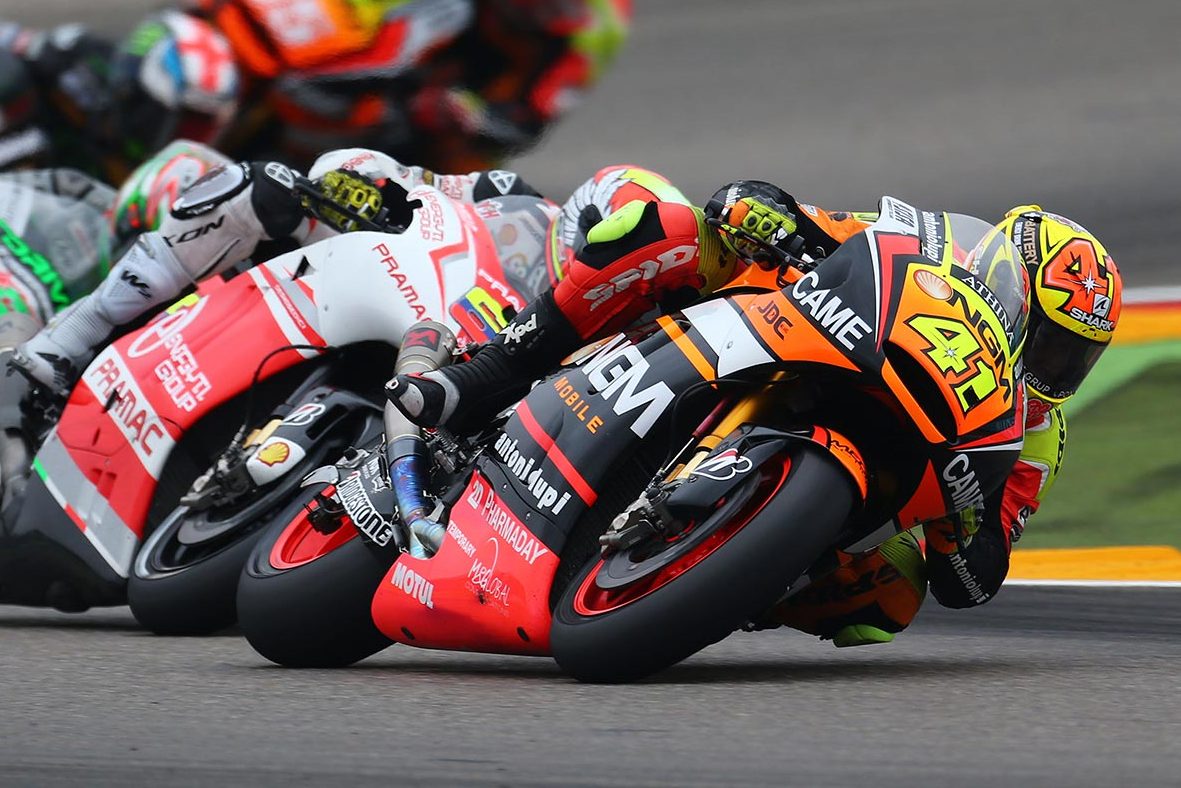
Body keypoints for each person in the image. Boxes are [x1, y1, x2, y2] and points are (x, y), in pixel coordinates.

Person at [383, 171, 1125, 647]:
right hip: (788, 334)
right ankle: (492, 369)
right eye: (1049, 341)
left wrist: (969, 520)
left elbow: (971, 582)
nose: (1050, 367)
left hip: (885, 470)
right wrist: (767, 214)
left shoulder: (1035, 437)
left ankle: (732, 574)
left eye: (1071, 359)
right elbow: (810, 222)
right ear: (1010, 285)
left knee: (889, 602)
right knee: (664, 226)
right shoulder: (930, 248)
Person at [0, 0, 632, 182]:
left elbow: (521, 124)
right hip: (322, 63)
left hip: (428, 136)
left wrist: (444, 110)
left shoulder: (595, 27)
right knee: (201, 80)